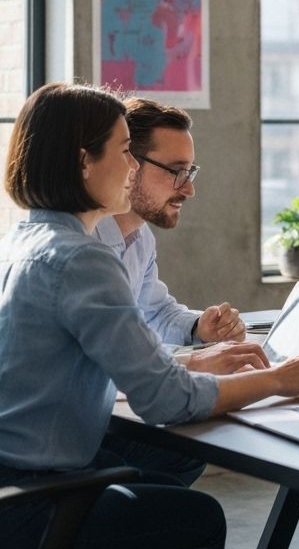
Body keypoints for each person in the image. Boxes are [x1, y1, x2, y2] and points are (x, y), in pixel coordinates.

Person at [0, 82, 299, 549]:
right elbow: (167, 401)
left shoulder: (23, 240)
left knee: (161, 485)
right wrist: (280, 379)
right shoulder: (82, 257)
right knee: (195, 517)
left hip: (17, 487)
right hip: (32, 504)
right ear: (84, 160)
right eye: (122, 151)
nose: (131, 168)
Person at [94, 98, 251, 375]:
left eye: (190, 172)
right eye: (177, 171)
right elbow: (115, 353)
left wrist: (199, 326)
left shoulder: (139, 238)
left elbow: (154, 312)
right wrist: (198, 362)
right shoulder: (85, 247)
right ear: (129, 163)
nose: (189, 189)